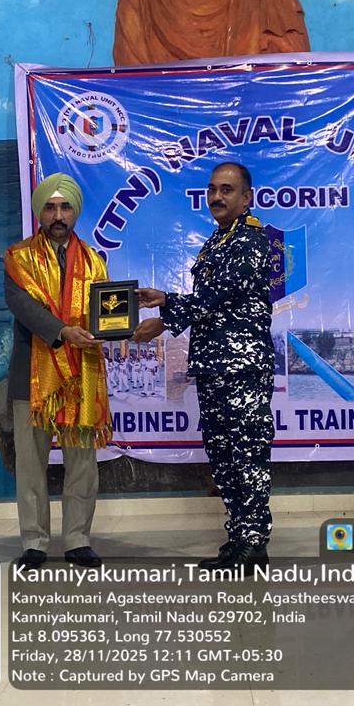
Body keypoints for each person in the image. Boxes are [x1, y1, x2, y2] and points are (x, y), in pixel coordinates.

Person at [133, 161, 275, 572]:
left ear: (246, 197)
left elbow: (218, 295)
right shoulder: (217, 240)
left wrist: (164, 314)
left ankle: (255, 544)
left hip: (242, 369)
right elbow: (210, 299)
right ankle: (238, 539)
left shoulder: (251, 239)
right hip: (214, 367)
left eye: (227, 190)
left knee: (246, 456)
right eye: (212, 189)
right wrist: (166, 302)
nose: (216, 197)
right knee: (223, 457)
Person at [3, 172, 111, 569]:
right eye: (50, 207)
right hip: (31, 378)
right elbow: (23, 307)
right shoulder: (18, 257)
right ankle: (34, 542)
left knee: (81, 462)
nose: (58, 215)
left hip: (82, 374)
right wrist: (63, 331)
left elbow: (106, 312)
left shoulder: (95, 261)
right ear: (39, 212)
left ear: (75, 211)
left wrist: (114, 328)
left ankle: (78, 539)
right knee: (30, 464)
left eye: (65, 207)